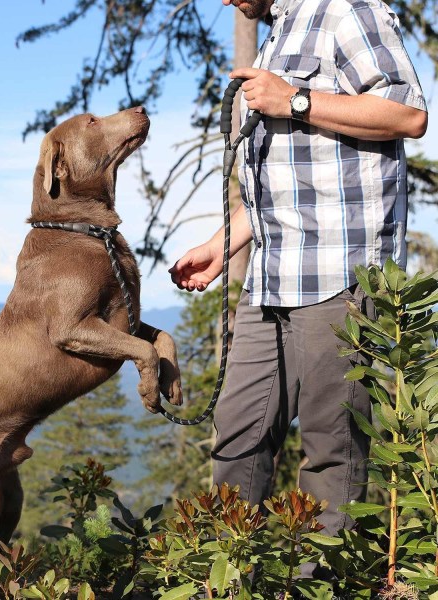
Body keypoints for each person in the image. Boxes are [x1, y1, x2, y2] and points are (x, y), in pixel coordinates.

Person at [169, 0, 428, 578]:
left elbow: (408, 112)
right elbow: (290, 178)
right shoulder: (279, 31)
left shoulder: (347, 10)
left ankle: (318, 588)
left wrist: (299, 100)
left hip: (341, 274)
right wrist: (225, 241)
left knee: (331, 456)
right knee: (238, 438)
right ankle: (231, 583)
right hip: (270, 275)